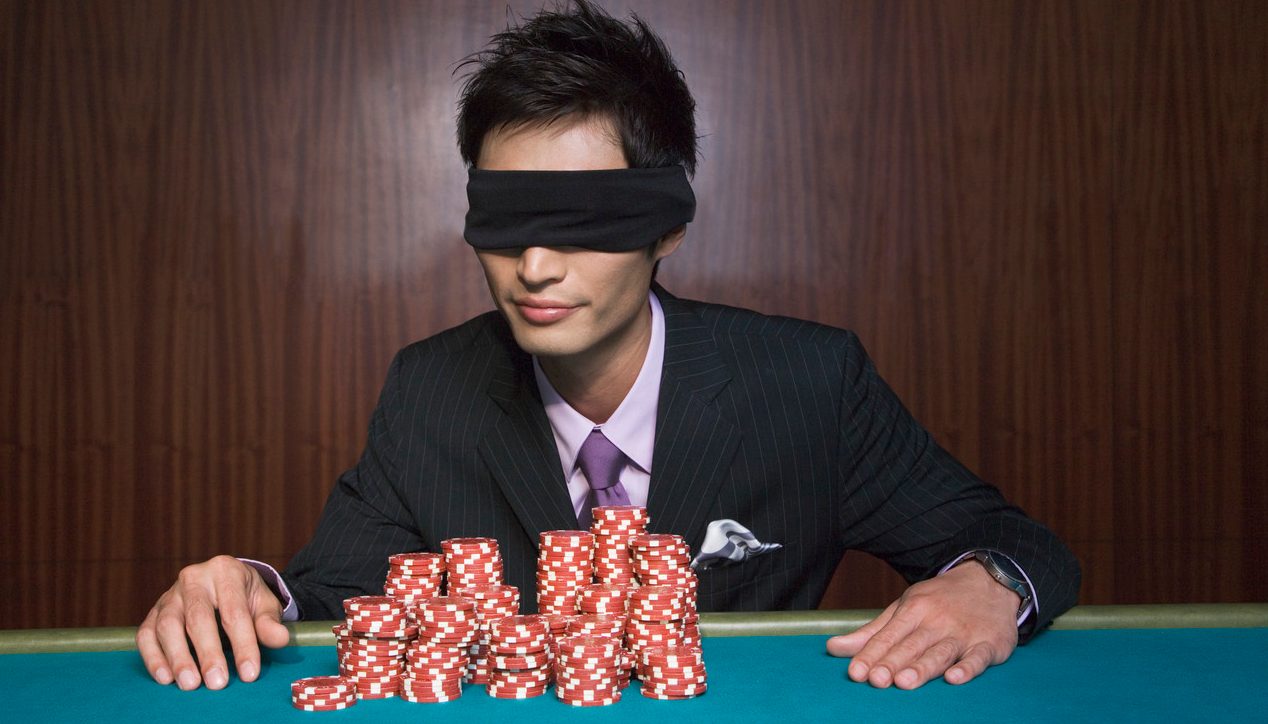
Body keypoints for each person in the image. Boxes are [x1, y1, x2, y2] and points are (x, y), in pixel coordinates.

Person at [137, 0, 1079, 694]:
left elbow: (1017, 543)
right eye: (507, 225)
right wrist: (242, 590)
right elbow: (330, 595)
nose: (534, 266)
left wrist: (989, 583)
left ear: (666, 226)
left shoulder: (808, 383)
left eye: (582, 221)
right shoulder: (433, 390)